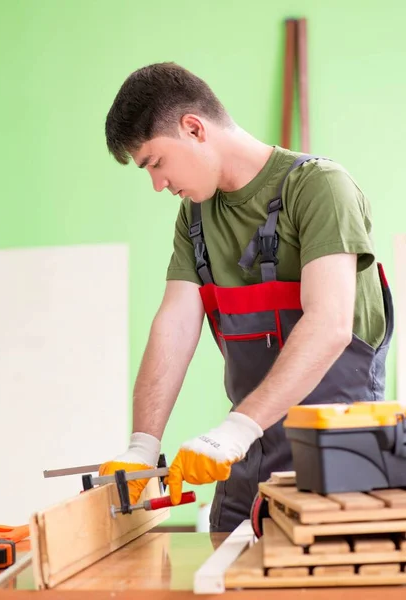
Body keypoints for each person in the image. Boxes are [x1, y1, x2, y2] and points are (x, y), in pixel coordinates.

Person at [99, 61, 394, 532]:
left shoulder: (318, 187)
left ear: (193, 128)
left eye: (156, 162)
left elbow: (330, 325)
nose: (158, 184)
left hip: (339, 469)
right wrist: (141, 445)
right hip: (245, 463)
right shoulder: (195, 217)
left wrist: (236, 429)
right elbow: (174, 325)